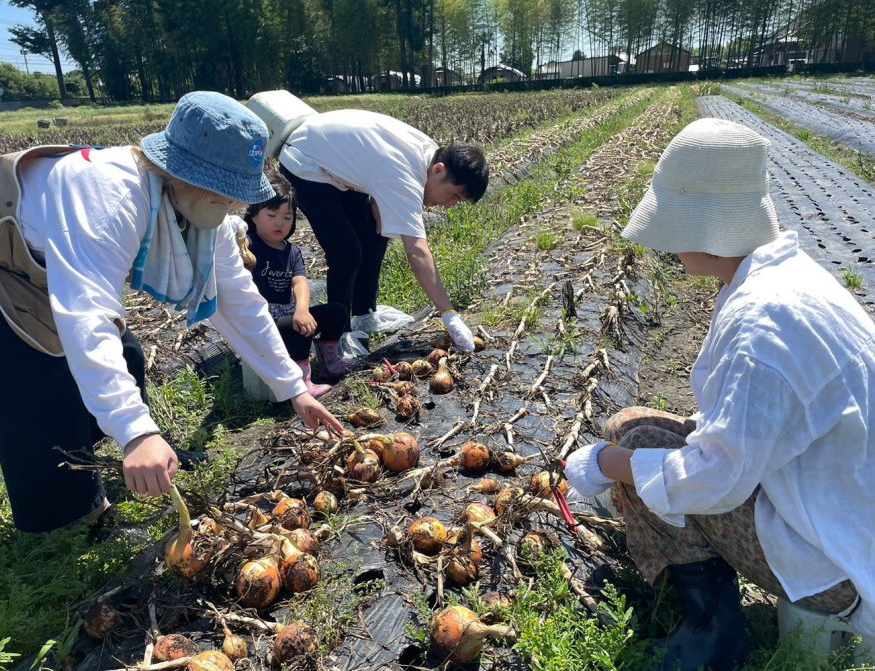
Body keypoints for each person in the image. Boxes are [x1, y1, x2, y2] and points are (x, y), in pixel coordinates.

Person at [0, 91, 343, 534]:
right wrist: (135, 429)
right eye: (224, 195)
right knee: (36, 380)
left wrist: (292, 387)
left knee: (125, 355)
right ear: (182, 176)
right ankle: (70, 520)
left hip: (44, 255)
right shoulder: (110, 199)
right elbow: (87, 314)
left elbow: (239, 301)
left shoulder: (208, 218)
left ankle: (123, 461)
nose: (231, 207)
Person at [563, 118, 874, 670]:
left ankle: (713, 635)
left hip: (844, 566)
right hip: (847, 516)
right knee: (638, 429)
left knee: (633, 449)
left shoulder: (762, 328)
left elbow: (717, 482)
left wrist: (607, 464)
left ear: (704, 224)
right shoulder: (788, 279)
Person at [278, 109, 489, 352]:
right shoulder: (406, 177)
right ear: (438, 170)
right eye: (453, 196)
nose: (448, 205)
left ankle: (364, 313)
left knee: (375, 234)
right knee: (346, 251)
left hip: (330, 154)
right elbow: (418, 253)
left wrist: (376, 220)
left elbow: (378, 179)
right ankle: (336, 337)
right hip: (305, 160)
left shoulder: (428, 155)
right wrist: (448, 313)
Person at [232, 172, 348, 395]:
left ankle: (329, 364)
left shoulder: (292, 251)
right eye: (272, 215)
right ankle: (302, 381)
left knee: (337, 312)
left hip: (289, 315)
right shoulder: (249, 245)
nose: (280, 222)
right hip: (262, 323)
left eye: (287, 217)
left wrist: (302, 309)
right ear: (254, 215)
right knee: (297, 329)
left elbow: (300, 283)